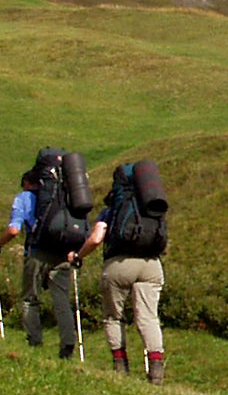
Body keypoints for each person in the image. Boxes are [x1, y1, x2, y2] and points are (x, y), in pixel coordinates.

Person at [69, 163, 168, 385]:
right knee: (148, 317)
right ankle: (156, 371)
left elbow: (95, 239)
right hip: (152, 264)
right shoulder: (153, 207)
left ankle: (121, 367)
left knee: (114, 316)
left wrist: (78, 256)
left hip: (119, 264)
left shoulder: (113, 209)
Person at [0, 165, 80, 359]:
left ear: (27, 183)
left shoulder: (24, 198)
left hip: (37, 253)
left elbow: (14, 230)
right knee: (61, 300)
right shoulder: (63, 195)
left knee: (30, 298)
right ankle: (68, 344)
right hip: (62, 253)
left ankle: (35, 341)